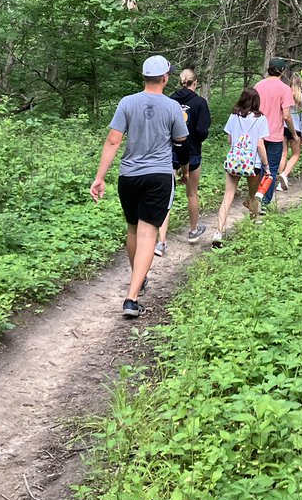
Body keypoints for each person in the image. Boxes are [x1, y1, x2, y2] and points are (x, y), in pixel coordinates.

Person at [90, 55, 189, 318]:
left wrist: (100, 177)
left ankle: (138, 278)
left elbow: (113, 141)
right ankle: (131, 299)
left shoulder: (127, 103)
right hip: (158, 176)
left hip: (129, 176)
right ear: (166, 78)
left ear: (144, 77)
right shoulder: (172, 106)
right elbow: (181, 138)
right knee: (148, 233)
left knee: (133, 229)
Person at [155, 68, 211, 253]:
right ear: (195, 83)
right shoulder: (200, 102)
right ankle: (193, 231)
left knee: (166, 196)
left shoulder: (168, 100)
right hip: (192, 152)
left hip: (168, 153)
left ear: (180, 82)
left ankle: (161, 241)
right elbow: (203, 131)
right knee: (192, 193)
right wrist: (194, 139)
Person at [212, 87, 270, 245]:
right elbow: (260, 144)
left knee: (227, 196)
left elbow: (230, 141)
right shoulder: (261, 119)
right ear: (256, 101)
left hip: (235, 161)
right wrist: (267, 165)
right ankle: (252, 227)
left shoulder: (233, 116)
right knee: (253, 197)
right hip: (253, 164)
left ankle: (218, 232)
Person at [253, 57, 296, 209]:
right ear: (283, 71)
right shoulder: (285, 89)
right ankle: (264, 203)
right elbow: (286, 115)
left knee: (257, 167)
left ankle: (254, 201)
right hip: (275, 135)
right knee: (270, 169)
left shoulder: (258, 85)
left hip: (257, 134)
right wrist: (294, 134)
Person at [278, 72, 302, 190]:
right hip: (296, 130)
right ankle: (284, 174)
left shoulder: (285, 96)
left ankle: (279, 183)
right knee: (296, 155)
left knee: (283, 153)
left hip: (284, 127)